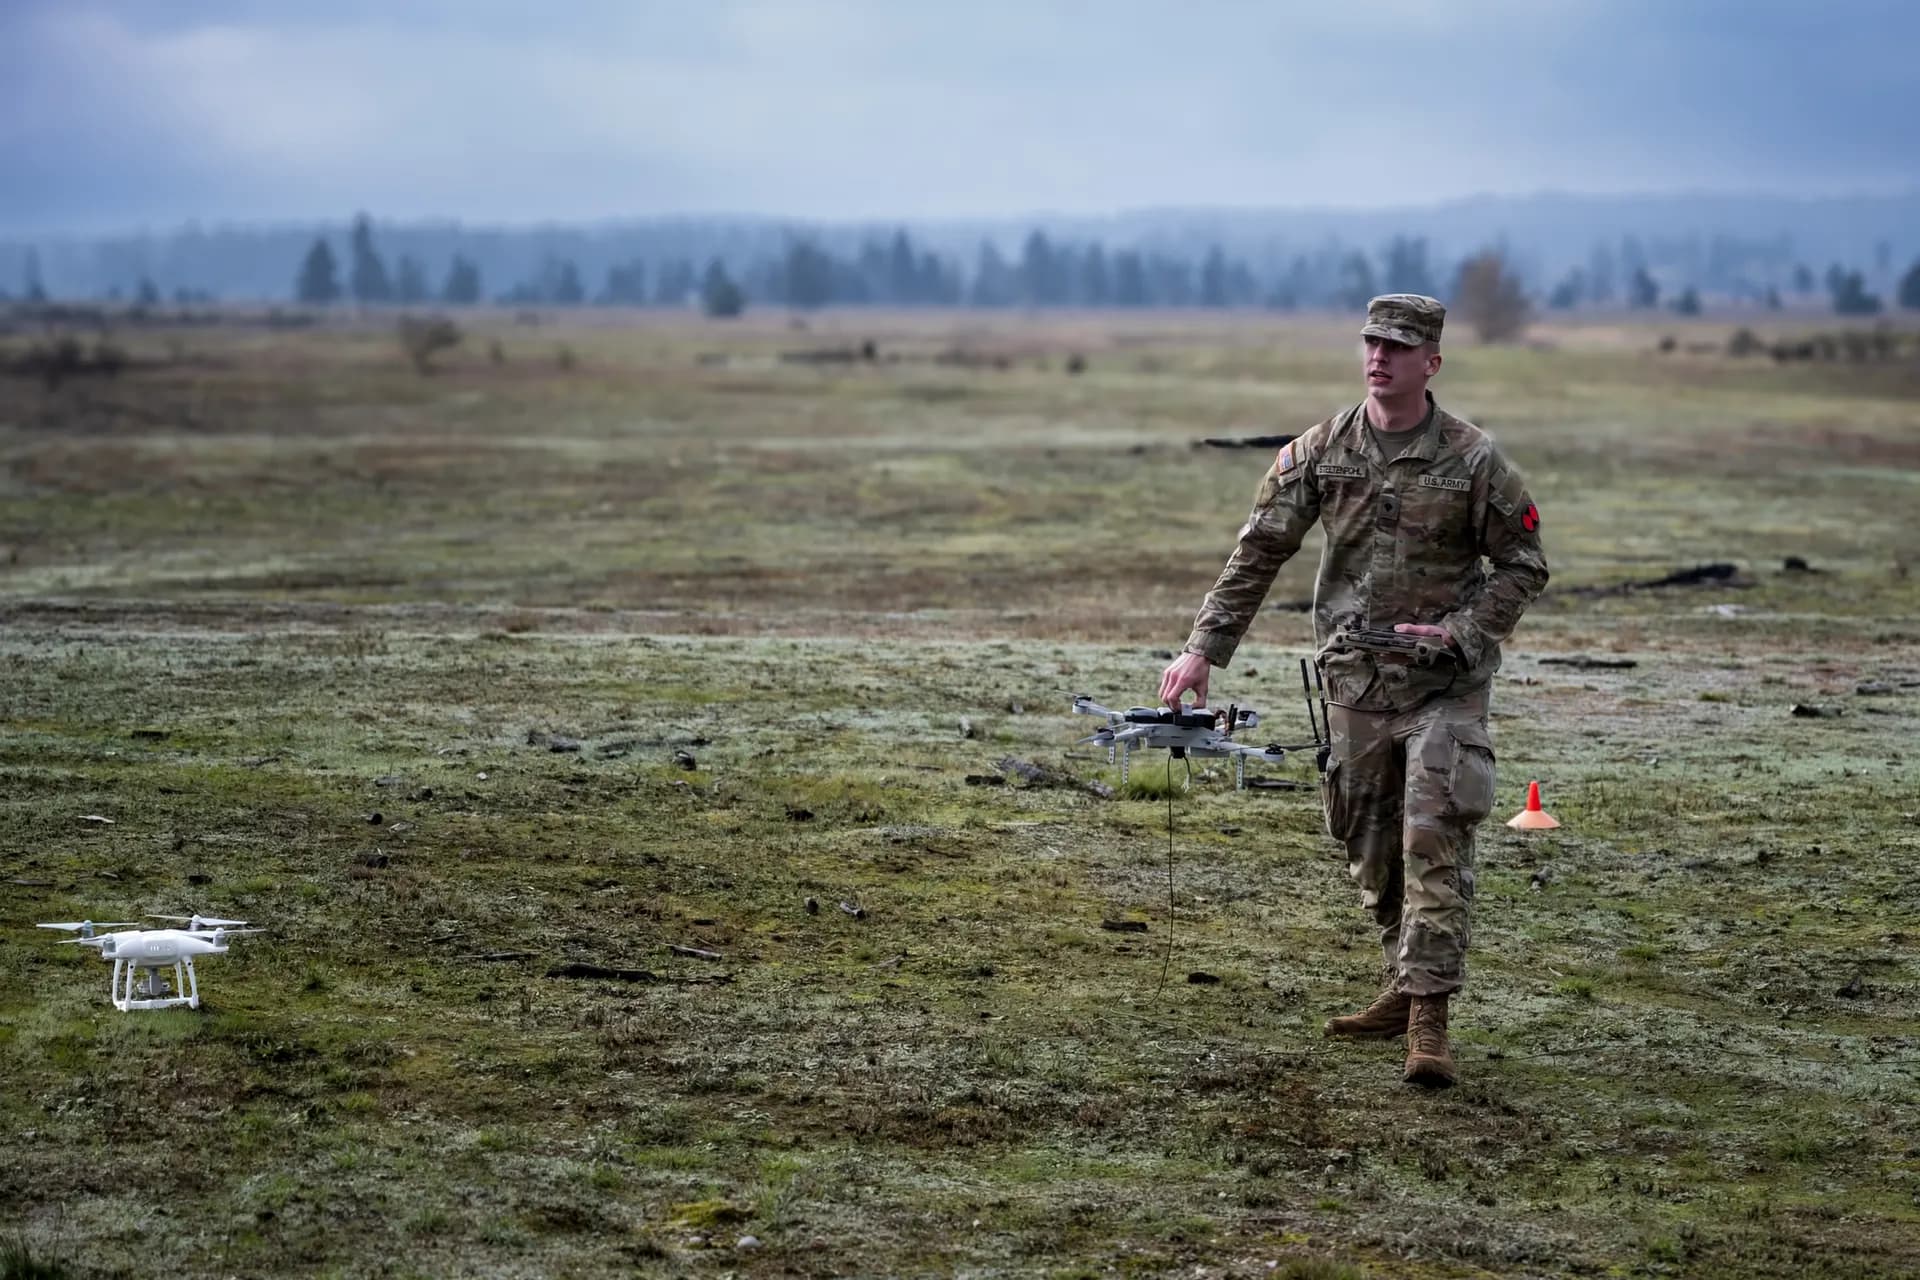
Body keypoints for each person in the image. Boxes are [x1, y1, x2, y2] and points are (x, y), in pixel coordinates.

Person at [1157, 294, 1548, 1086]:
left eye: (1399, 348)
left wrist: (1464, 633)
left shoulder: (1474, 460)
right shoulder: (1323, 450)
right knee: (1369, 850)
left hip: (1444, 687)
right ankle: (1405, 985)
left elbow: (1524, 564)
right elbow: (1260, 549)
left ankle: (1429, 1023)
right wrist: (1204, 650)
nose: (1381, 357)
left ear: (1430, 362)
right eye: (1373, 343)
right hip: (1353, 683)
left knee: (1432, 836)